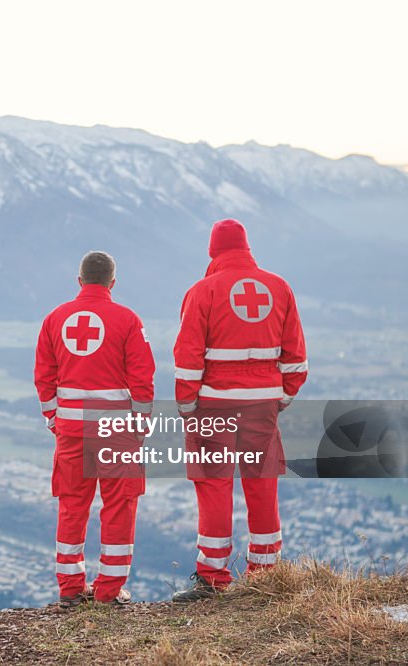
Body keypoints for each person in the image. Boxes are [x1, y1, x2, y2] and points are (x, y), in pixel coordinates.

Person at [171, 219, 308, 602]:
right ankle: (265, 571)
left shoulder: (202, 291)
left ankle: (213, 576)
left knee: (214, 484)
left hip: (213, 404)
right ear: (247, 248)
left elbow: (188, 357)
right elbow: (296, 358)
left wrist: (187, 405)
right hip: (262, 405)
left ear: (213, 252)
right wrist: (279, 399)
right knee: (262, 482)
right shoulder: (280, 288)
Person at [34, 251, 155, 606]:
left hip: (71, 430)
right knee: (119, 505)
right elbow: (142, 378)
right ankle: (109, 591)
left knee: (72, 504)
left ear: (80, 280)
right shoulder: (127, 320)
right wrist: (141, 424)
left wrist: (55, 419)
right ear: (112, 283)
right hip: (117, 430)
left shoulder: (54, 319)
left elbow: (44, 377)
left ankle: (71, 588)